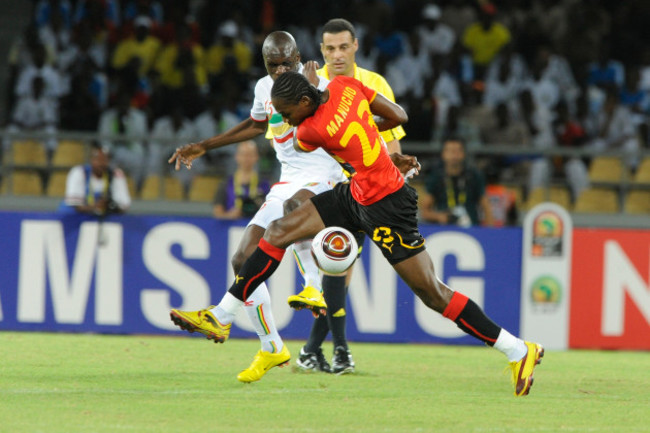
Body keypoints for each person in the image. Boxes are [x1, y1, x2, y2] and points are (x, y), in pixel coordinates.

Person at [169, 71, 544, 397]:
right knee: (281, 228)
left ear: (303, 101)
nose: (282, 120)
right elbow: (396, 116)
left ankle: (517, 349)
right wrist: (380, 150)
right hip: (359, 190)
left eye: (286, 113)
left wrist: (370, 151)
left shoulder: (308, 130)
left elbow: (310, 139)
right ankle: (222, 313)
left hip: (387, 205)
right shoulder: (348, 84)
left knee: (432, 292)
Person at [166, 31, 347, 383]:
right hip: (290, 178)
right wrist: (205, 145)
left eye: (286, 63)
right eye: (273, 64)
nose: (280, 71)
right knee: (242, 259)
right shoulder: (265, 88)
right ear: (265, 63)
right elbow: (257, 124)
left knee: (296, 210)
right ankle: (271, 346)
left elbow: (346, 129)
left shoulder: (322, 85)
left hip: (325, 176)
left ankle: (312, 286)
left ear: (298, 57)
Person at [294, 17, 408, 375]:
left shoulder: (373, 83)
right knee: (337, 268)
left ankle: (319, 351)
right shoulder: (309, 89)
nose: (337, 54)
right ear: (322, 50)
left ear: (356, 45)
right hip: (328, 188)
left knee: (340, 271)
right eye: (329, 48)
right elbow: (295, 141)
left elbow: (392, 141)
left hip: (368, 189)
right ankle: (333, 351)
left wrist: (390, 169)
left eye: (343, 46)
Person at [419, 138, 494, 227]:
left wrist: (491, 230)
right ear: (443, 154)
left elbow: (486, 205)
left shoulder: (474, 175)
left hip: (471, 227)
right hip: (445, 228)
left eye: (458, 151)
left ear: (464, 154)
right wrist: (439, 216)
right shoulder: (435, 177)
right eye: (450, 151)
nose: (454, 155)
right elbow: (425, 211)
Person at [58, 144, 131, 215]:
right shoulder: (79, 172)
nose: (101, 163)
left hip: (99, 220)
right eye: (98, 160)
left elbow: (124, 205)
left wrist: (110, 206)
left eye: (105, 160)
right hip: (73, 219)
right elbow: (75, 205)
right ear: (91, 160)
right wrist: (95, 207)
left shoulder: (115, 174)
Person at [213, 140, 270, 220]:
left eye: (250, 155)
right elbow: (217, 212)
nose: (246, 158)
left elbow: (271, 211)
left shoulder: (265, 184)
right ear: (236, 156)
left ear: (256, 157)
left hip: (256, 227)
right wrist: (229, 215)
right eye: (243, 154)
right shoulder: (226, 183)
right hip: (232, 228)